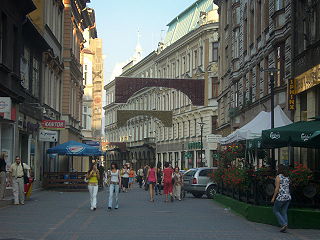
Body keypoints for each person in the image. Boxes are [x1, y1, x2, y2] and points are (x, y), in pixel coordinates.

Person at [271, 164, 291, 233]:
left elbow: (277, 189)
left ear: (279, 169)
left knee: (275, 210)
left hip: (281, 197)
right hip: (288, 197)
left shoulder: (278, 177)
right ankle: (285, 225)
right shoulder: (287, 177)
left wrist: (273, 198)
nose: (276, 169)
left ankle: (284, 224)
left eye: (277, 168)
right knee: (284, 212)